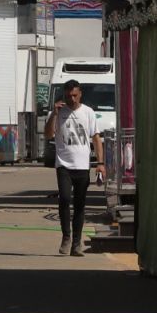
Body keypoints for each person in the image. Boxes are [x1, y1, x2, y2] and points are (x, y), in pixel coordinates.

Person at [47, 81, 103, 256]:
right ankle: (66, 237)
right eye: (68, 95)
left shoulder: (88, 112)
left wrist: (100, 164)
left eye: (75, 95)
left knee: (79, 204)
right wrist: (54, 114)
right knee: (64, 199)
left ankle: (77, 243)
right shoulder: (58, 112)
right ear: (64, 94)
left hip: (82, 165)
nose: (71, 99)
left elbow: (96, 139)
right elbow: (48, 134)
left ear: (80, 95)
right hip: (63, 164)